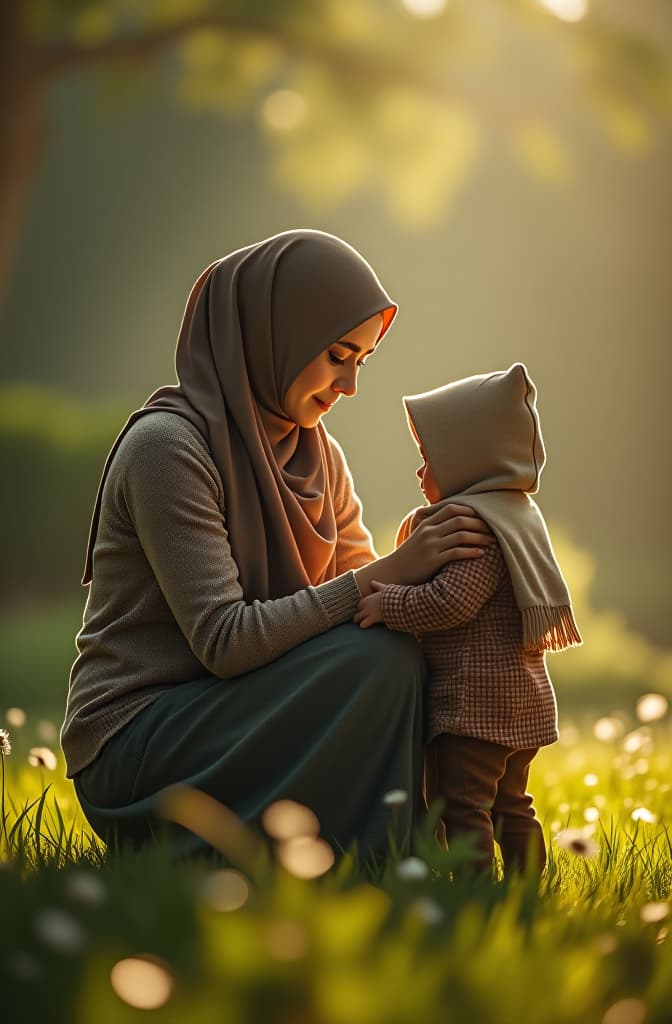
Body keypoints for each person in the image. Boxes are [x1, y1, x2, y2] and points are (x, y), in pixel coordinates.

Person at [60, 229, 494, 860]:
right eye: (338, 356)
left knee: (396, 651)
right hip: (139, 747)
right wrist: (394, 571)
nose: (348, 386)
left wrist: (452, 568)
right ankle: (379, 859)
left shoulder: (318, 454)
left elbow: (364, 592)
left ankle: (392, 858)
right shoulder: (168, 449)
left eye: (361, 362)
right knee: (379, 661)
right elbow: (225, 641)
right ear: (274, 333)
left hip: (248, 713)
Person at [354, 363, 582, 875]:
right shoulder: (515, 514)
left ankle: (473, 891)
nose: (419, 474)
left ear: (467, 461)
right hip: (520, 706)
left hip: (476, 710)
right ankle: (525, 887)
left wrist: (386, 603)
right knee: (511, 804)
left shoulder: (470, 525)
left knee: (464, 806)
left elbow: (452, 602)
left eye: (428, 460)